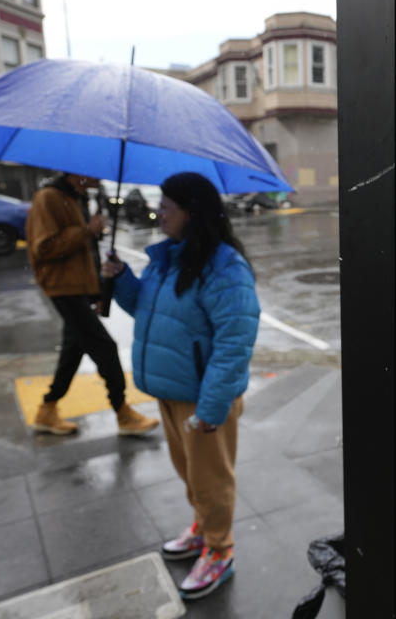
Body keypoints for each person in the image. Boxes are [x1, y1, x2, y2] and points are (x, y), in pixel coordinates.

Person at [101, 171, 260, 600]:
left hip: (204, 397)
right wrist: (120, 280)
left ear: (192, 212)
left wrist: (211, 407)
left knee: (211, 479)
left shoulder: (225, 267)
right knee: (189, 473)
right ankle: (203, 526)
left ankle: (219, 549)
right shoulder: (168, 257)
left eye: (167, 207)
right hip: (171, 391)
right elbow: (150, 313)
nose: (160, 214)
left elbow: (235, 342)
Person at [25, 172, 159, 436]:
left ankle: (47, 409)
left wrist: (96, 290)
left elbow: (85, 252)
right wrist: (87, 230)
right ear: (76, 172)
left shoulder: (78, 198)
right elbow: (44, 247)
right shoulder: (49, 198)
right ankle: (122, 412)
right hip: (62, 286)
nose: (101, 176)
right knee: (105, 348)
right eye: (95, 171)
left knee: (72, 350)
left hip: (79, 286)